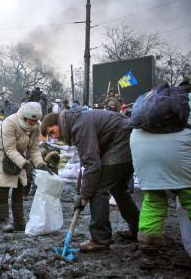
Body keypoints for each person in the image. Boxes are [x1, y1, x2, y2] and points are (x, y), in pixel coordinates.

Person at [41, 108, 140, 251]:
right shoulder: (76, 121)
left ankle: (100, 239)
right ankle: (138, 229)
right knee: (118, 189)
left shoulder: (80, 126)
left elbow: (92, 166)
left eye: (52, 132)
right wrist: (80, 191)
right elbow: (86, 161)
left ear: (58, 123)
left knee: (98, 189)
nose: (54, 137)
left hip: (122, 145)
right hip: (128, 143)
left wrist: (86, 194)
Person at [130, 87, 191, 270]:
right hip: (178, 147)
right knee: (188, 195)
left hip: (141, 146)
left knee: (153, 200)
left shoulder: (146, 109)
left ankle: (148, 255)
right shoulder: (185, 104)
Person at [0, 102, 48, 232]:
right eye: (30, 120)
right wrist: (25, 164)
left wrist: (40, 164)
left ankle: (19, 220)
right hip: (2, 154)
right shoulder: (10, 123)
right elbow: (9, 149)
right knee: (3, 185)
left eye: (35, 120)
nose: (32, 123)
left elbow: (34, 149)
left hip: (18, 155)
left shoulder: (36, 127)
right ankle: (3, 220)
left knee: (20, 185)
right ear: (24, 116)